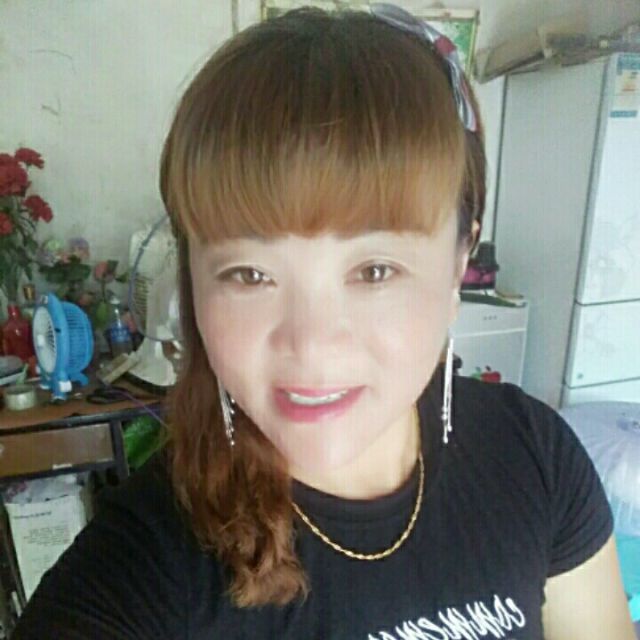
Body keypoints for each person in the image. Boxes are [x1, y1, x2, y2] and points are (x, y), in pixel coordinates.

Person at [12, 4, 635, 639]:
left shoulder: (534, 457)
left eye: (374, 270)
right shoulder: (145, 563)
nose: (310, 346)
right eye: (249, 274)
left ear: (458, 265)